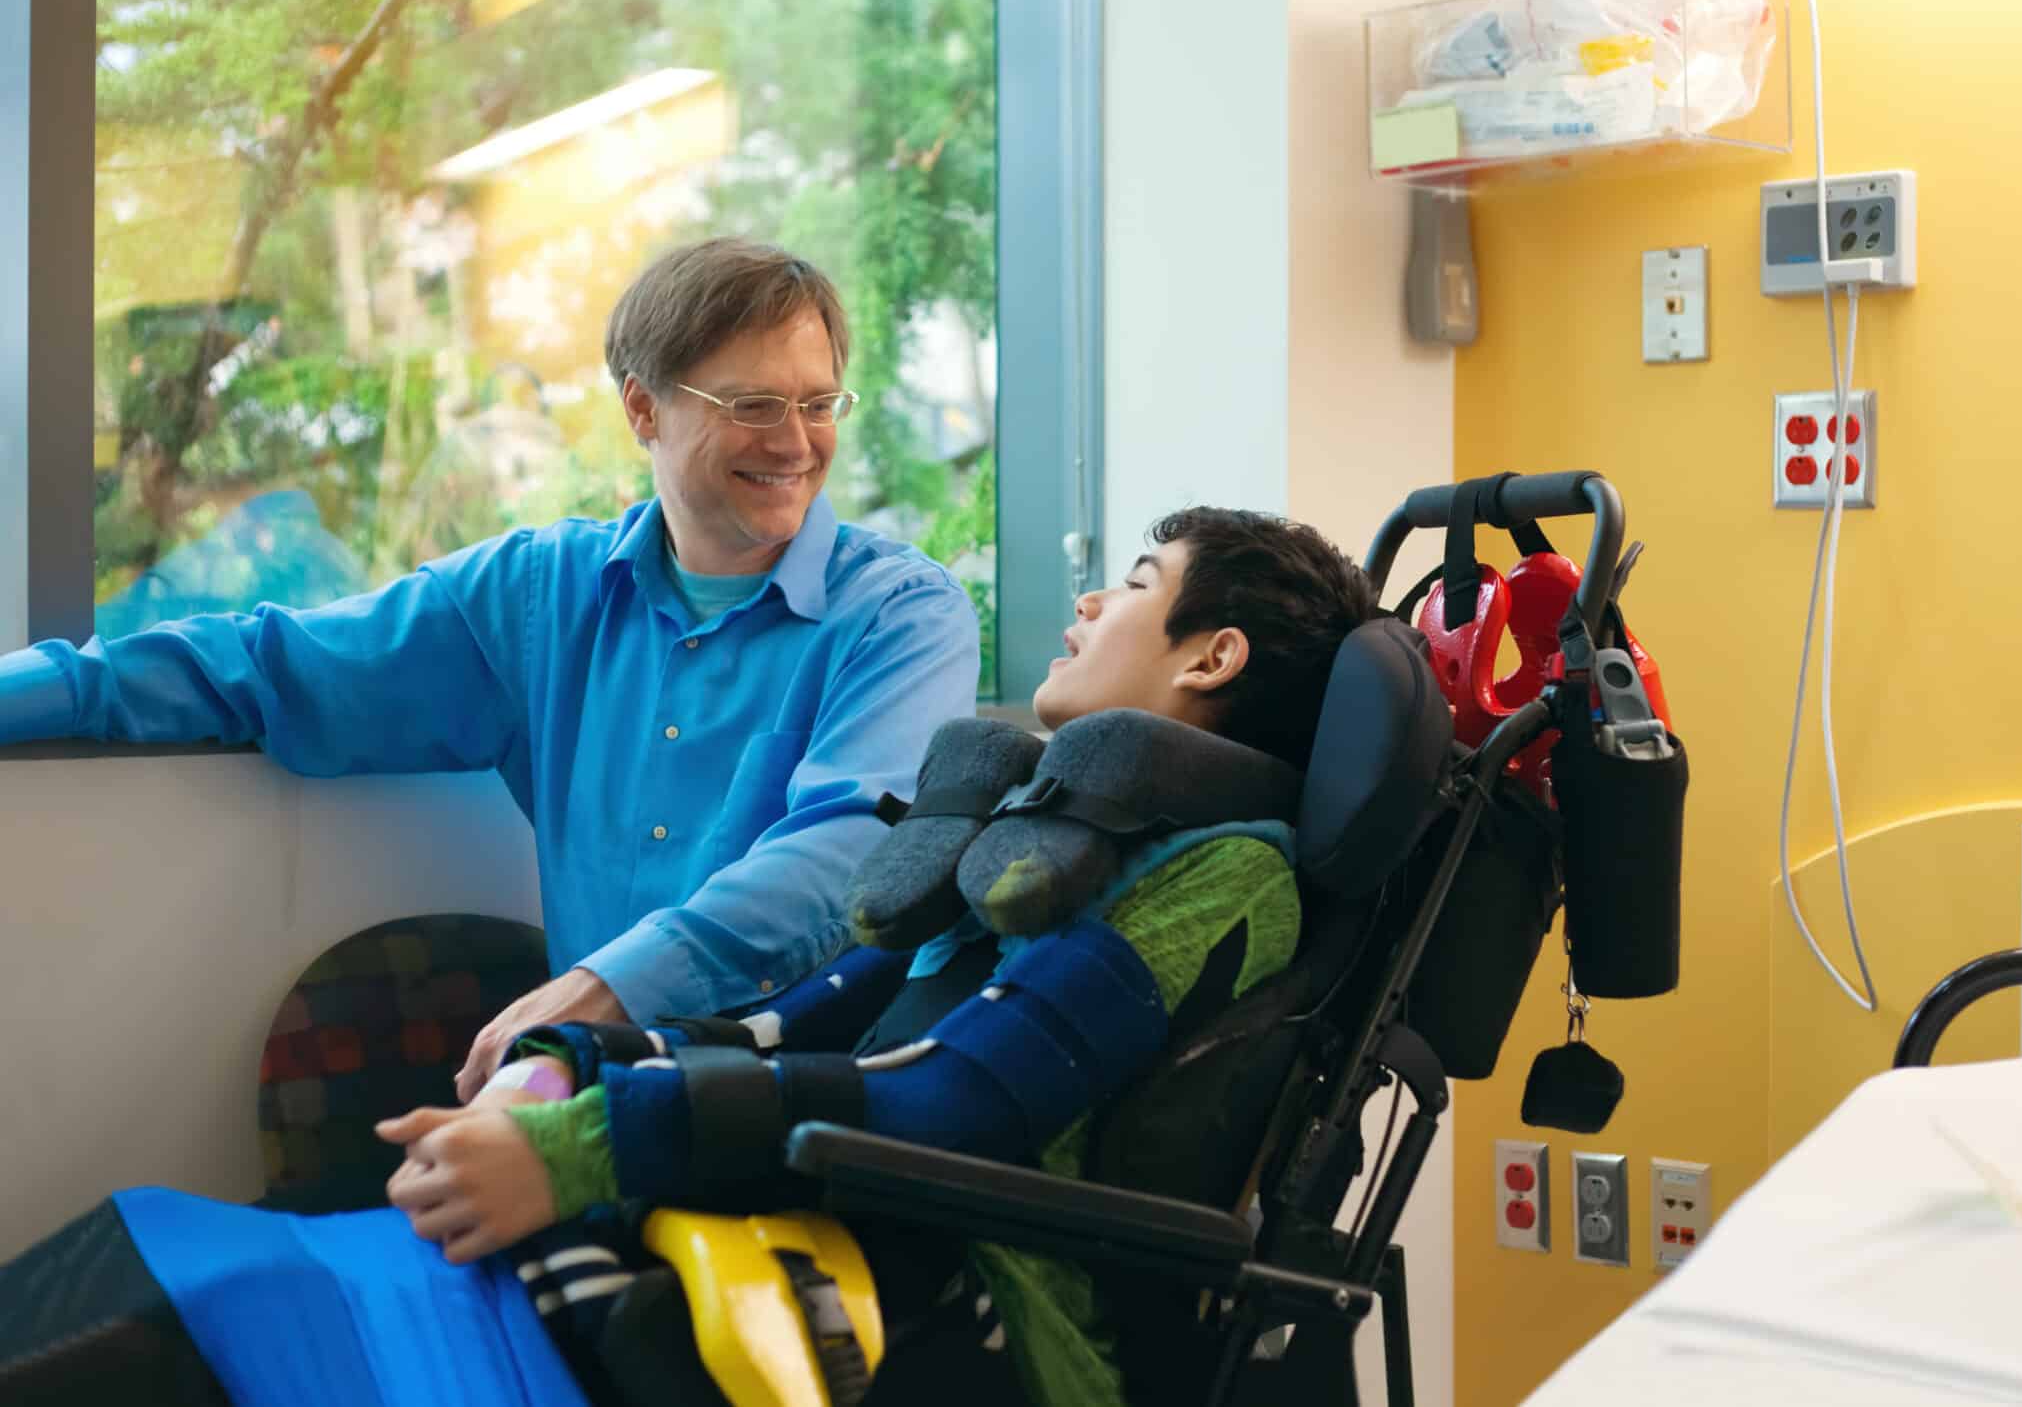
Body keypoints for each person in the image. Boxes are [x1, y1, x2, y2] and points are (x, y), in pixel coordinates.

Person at [0, 508, 1379, 1407]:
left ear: (1213, 658)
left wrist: (589, 1148)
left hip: (976, 1291)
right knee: (179, 1286)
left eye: (1137, 584)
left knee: (187, 1349)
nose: (1088, 601)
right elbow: (818, 1016)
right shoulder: (1055, 825)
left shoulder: (1217, 875)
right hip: (846, 1213)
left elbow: (958, 1103)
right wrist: (567, 1068)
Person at [0, 239, 983, 1093]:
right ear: (643, 410)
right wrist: (40, 690)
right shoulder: (535, 596)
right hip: (587, 1088)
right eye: (752, 403)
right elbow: (269, 664)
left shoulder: (903, 616)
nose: (796, 440)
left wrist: (604, 989)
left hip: (819, 1101)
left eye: (817, 404)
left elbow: (853, 851)